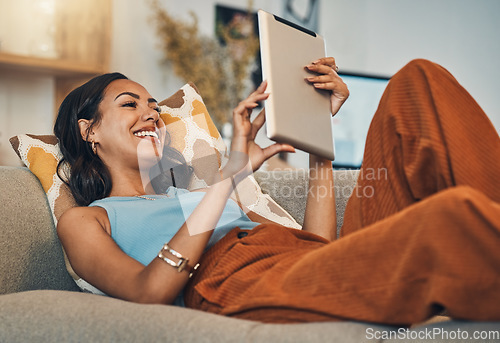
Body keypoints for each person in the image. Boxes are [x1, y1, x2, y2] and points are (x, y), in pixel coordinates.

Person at [54, 57, 500, 326]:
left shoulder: (195, 195)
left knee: (418, 83)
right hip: (233, 283)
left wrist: (316, 135)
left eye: (153, 105)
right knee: (451, 218)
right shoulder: (88, 219)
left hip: (301, 263)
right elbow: (148, 292)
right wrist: (228, 176)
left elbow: (317, 248)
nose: (150, 114)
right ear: (88, 130)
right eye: (129, 104)